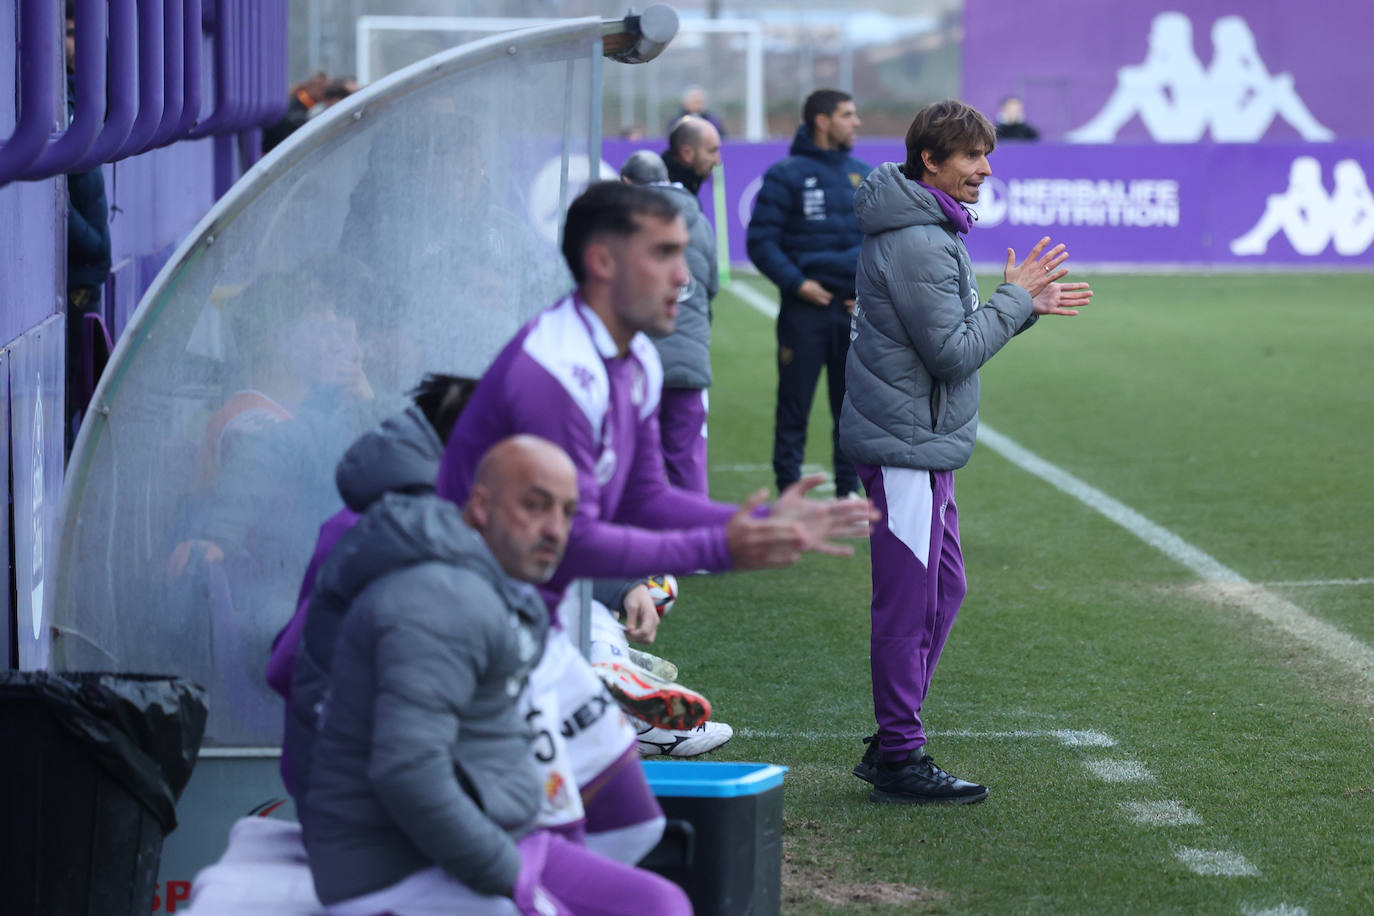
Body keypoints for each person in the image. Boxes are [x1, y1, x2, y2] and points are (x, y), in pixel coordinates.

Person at [438, 181, 878, 752]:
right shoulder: (555, 373)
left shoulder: (637, 356)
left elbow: (644, 497)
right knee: (567, 826)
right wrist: (722, 548)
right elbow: (566, 542)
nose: (685, 276)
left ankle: (611, 669)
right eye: (664, 254)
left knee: (630, 825)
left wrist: (767, 520)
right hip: (468, 631)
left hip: (528, 618)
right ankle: (609, 669)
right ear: (601, 261)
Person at [300, 435, 691, 914]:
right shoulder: (438, 599)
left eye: (567, 513)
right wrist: (513, 879)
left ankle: (610, 664)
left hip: (487, 835)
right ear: (481, 504)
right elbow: (407, 773)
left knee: (658, 902)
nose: (554, 530)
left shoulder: (487, 577)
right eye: (535, 506)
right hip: (398, 865)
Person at [840, 100, 1092, 804]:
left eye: (986, 155)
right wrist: (1013, 302)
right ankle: (899, 752)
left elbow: (952, 342)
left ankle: (895, 735)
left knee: (944, 590)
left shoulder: (927, 228)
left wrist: (1019, 309)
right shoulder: (920, 240)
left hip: (919, 444)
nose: (984, 168)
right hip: (905, 448)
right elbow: (951, 355)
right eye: (971, 156)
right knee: (908, 604)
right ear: (931, 161)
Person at [747, 89, 870, 499]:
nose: (856, 122)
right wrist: (799, 284)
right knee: (794, 406)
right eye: (848, 115)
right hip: (804, 311)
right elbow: (761, 242)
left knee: (852, 408)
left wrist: (865, 290)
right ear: (822, 120)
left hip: (853, 310)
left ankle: (848, 491)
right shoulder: (786, 175)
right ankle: (788, 493)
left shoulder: (864, 175)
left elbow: (880, 243)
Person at [620, 148, 717, 495]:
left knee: (628, 467)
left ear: (627, 182)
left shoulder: (624, 218)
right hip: (689, 361)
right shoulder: (700, 220)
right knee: (686, 464)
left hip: (634, 364)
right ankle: (693, 543)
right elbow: (712, 287)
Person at [63, 1, 112, 447]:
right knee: (68, 396)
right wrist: (90, 242)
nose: (79, 45)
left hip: (88, 268)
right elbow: (60, 196)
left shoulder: (83, 95)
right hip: (80, 268)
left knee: (83, 389)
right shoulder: (56, 101)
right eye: (71, 33)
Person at [661, 115, 722, 201]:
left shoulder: (690, 184)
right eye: (711, 151)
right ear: (687, 153)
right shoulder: (663, 200)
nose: (717, 161)